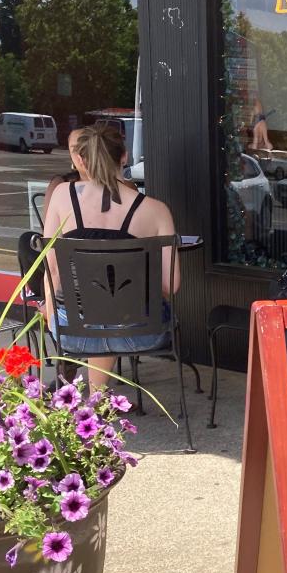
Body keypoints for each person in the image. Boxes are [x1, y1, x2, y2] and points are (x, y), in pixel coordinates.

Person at [42, 122, 180, 390]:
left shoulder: (61, 196)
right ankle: (96, 398)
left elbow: (52, 269)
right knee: (115, 312)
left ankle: (96, 399)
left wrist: (50, 317)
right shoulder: (156, 210)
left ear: (82, 159)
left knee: (96, 314)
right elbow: (171, 286)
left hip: (72, 333)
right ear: (124, 156)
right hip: (140, 334)